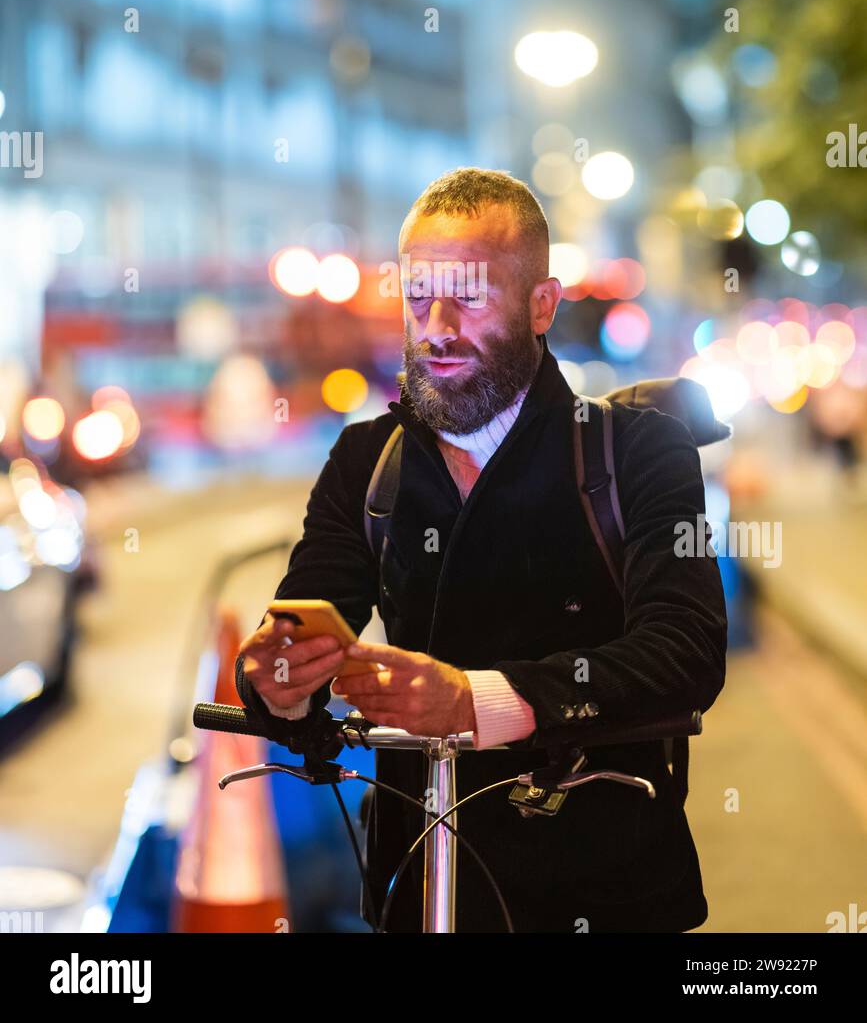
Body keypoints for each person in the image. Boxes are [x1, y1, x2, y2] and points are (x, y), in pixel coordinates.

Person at [236, 167, 727, 933]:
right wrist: (278, 680)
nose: (435, 327)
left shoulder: (636, 451)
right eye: (417, 296)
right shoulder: (366, 460)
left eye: (467, 297)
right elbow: (309, 612)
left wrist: (477, 701)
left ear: (541, 305)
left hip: (605, 889)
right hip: (419, 882)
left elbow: (685, 651)